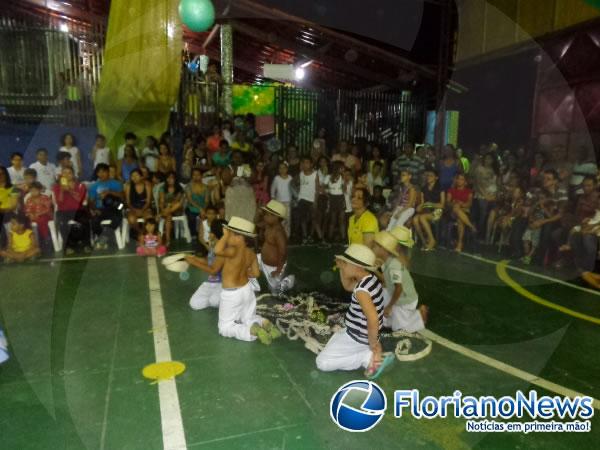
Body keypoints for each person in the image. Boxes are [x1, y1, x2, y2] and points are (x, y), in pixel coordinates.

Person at [316, 244, 394, 379]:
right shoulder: (371, 280)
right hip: (359, 333)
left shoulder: (362, 291)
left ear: (357, 267)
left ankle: (367, 357)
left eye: (345, 264)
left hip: (358, 337)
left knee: (322, 362)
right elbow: (347, 286)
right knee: (335, 341)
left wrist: (373, 344)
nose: (343, 266)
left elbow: (373, 319)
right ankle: (366, 352)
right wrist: (342, 268)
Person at [215, 216, 279, 344]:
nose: (228, 238)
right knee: (248, 316)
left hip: (231, 294)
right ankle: (264, 323)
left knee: (225, 327)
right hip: (247, 290)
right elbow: (255, 273)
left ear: (239, 238)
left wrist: (224, 236)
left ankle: (252, 331)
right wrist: (243, 271)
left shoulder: (232, 251)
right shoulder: (251, 253)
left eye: (231, 235)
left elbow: (217, 250)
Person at [373, 230, 428, 332]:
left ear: (383, 249)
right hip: (398, 296)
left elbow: (399, 288)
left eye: (376, 246)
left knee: (401, 330)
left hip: (405, 299)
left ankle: (420, 315)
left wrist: (389, 306)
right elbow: (387, 282)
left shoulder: (394, 265)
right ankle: (394, 316)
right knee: (388, 323)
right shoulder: (386, 262)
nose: (373, 248)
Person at [186, 219, 227, 310]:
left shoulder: (222, 249)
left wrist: (194, 262)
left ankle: (228, 299)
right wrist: (193, 258)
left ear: (214, 234)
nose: (208, 234)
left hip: (223, 283)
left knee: (214, 301)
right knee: (195, 304)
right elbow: (209, 262)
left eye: (210, 232)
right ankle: (219, 299)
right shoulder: (214, 245)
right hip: (212, 282)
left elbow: (213, 270)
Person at [257, 200, 295, 294]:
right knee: (246, 262)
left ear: (276, 217)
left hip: (274, 266)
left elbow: (283, 252)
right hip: (262, 260)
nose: (265, 216)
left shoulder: (279, 232)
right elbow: (257, 224)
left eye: (267, 214)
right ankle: (252, 288)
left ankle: (288, 281)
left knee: (275, 291)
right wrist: (259, 214)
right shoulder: (268, 225)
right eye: (265, 214)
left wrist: (278, 270)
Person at [52, 166, 90, 254]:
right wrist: (62, 190)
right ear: (61, 175)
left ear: (73, 175)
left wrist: (70, 190)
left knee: (85, 220)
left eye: (69, 173)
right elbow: (59, 202)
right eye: (64, 173)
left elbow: (81, 201)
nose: (66, 175)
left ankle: (86, 244)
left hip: (78, 210)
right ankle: (68, 246)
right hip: (63, 211)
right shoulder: (56, 187)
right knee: (61, 222)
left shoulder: (81, 185)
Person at [88, 163, 124, 250]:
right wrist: (94, 209)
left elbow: (123, 198)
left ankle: (103, 238)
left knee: (118, 216)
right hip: (100, 209)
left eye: (104, 171)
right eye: (99, 172)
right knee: (94, 222)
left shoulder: (116, 184)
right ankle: (106, 238)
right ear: (97, 174)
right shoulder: (93, 186)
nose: (102, 174)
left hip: (116, 207)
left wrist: (110, 192)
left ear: (108, 172)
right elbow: (90, 202)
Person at [414, 168, 445, 251]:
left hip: (437, 211)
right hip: (427, 211)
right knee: (415, 219)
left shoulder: (440, 188)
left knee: (422, 217)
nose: (428, 177)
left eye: (431, 176)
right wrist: (420, 206)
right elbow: (423, 203)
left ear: (436, 178)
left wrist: (431, 204)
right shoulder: (424, 188)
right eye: (428, 175)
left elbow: (442, 205)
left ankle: (432, 240)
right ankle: (424, 242)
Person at [447, 173, 475, 253]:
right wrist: (455, 203)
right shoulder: (451, 190)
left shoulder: (469, 191)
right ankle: (471, 226)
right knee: (456, 207)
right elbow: (448, 202)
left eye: (462, 179)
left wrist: (461, 204)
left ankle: (459, 244)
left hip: (464, 212)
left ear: (465, 182)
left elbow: (469, 203)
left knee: (460, 220)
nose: (459, 181)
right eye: (458, 179)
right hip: (452, 213)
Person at [125, 168, 153, 238]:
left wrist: (142, 210)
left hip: (145, 207)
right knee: (131, 219)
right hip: (133, 208)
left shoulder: (147, 185)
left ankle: (144, 234)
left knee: (149, 218)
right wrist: (135, 210)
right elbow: (128, 202)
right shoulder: (128, 186)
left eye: (136, 175)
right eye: (132, 176)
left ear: (141, 176)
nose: (134, 178)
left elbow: (148, 201)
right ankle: (140, 232)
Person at [159, 172, 184, 246]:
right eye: (168, 178)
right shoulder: (162, 188)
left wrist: (167, 208)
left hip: (176, 209)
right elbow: (161, 201)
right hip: (166, 209)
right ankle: (168, 239)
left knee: (178, 204)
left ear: (175, 179)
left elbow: (176, 201)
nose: (169, 179)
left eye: (172, 177)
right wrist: (163, 209)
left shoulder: (179, 188)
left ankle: (161, 214)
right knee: (168, 217)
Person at [24, 182, 53, 246]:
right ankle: (33, 241)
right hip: (33, 217)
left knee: (42, 220)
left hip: (45, 216)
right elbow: (27, 210)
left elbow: (47, 209)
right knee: (27, 222)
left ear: (40, 190)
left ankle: (46, 237)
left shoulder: (45, 197)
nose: (33, 192)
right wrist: (30, 214)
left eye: (35, 190)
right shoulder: (29, 200)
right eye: (31, 191)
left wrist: (38, 214)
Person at [298, 157, 318, 244]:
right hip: (302, 199)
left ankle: (311, 235)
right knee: (303, 219)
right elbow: (295, 183)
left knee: (313, 218)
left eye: (307, 163)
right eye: (304, 162)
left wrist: (315, 201)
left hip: (312, 199)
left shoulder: (315, 174)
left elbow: (317, 189)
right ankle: (305, 236)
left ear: (311, 164)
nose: (305, 164)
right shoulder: (301, 174)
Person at [185, 168, 209, 240]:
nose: (196, 176)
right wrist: (200, 209)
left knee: (208, 215)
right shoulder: (188, 186)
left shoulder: (205, 187)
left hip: (203, 207)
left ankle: (206, 235)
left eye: (198, 175)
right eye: (194, 175)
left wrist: (203, 209)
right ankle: (194, 234)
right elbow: (190, 200)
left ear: (201, 176)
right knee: (191, 216)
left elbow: (207, 201)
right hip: (192, 207)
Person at [270, 161, 292, 236]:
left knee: (287, 219)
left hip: (288, 202)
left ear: (287, 169)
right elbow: (273, 189)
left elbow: (292, 189)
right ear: (278, 170)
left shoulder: (290, 178)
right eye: (280, 168)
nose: (282, 170)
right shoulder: (277, 178)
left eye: (284, 168)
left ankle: (287, 235)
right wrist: (273, 198)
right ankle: (280, 235)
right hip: (279, 202)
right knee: (280, 220)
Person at [326, 162, 346, 242]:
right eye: (342, 168)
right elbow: (323, 186)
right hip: (332, 198)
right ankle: (330, 238)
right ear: (337, 168)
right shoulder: (328, 177)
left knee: (342, 219)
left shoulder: (342, 177)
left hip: (340, 198)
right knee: (333, 219)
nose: (343, 169)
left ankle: (343, 238)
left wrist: (344, 179)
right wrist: (328, 193)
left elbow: (344, 190)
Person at [0, 166, 19, 245]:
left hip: (8, 212)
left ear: (6, 175)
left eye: (2, 174)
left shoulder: (13, 188)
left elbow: (13, 205)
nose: (0, 176)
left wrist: (2, 210)